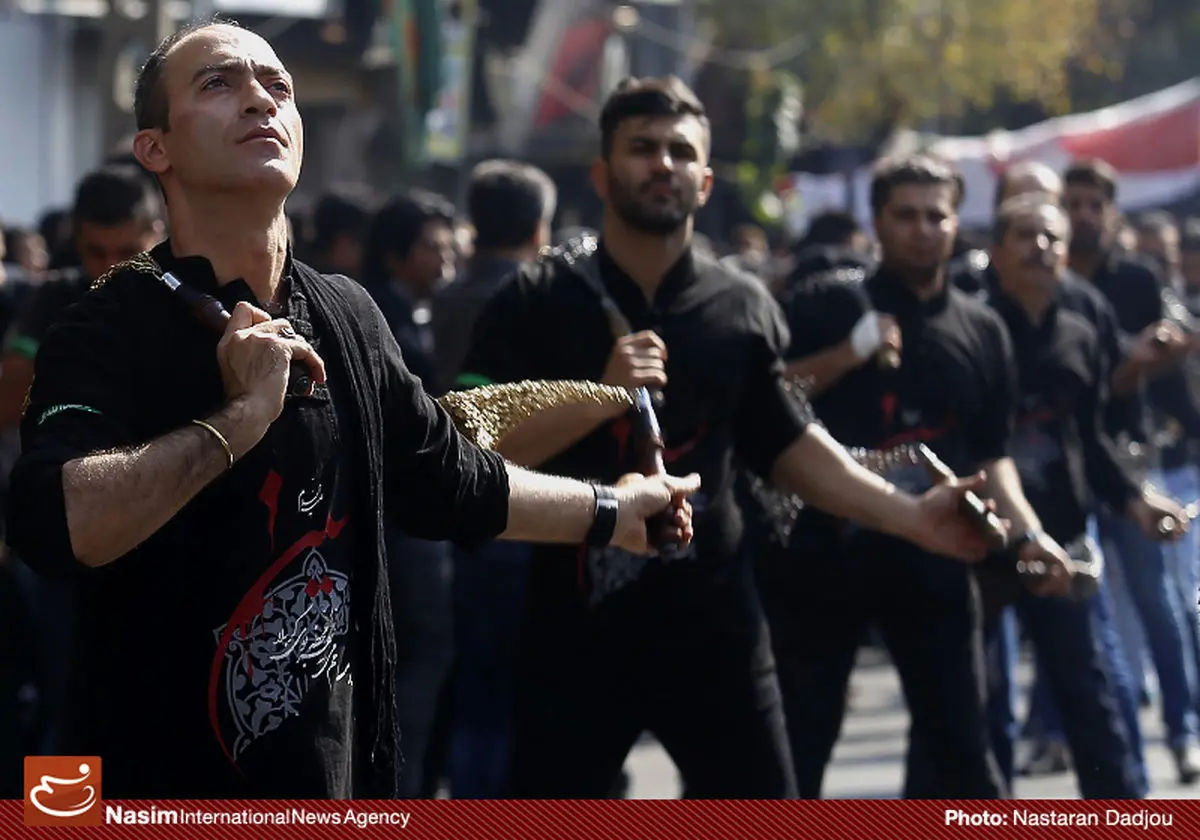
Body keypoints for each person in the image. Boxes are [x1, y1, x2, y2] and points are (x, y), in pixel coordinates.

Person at [6, 20, 700, 800]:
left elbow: (452, 480)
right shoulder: (106, 323)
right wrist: (239, 420)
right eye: (218, 84)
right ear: (155, 149)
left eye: (278, 86)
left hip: (331, 781)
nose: (261, 101)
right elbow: (59, 526)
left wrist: (615, 510)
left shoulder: (348, 315)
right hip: (142, 787)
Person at [459, 78, 1014, 799]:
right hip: (575, 630)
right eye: (643, 148)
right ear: (602, 172)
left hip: (716, 625)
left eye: (681, 151)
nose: (664, 164)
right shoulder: (533, 299)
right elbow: (466, 446)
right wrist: (595, 396)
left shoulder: (740, 305)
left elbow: (788, 442)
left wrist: (913, 517)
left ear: (706, 178)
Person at [767, 155, 1072, 799]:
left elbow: (993, 454)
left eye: (936, 215)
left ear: (958, 222)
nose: (922, 230)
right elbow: (769, 403)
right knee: (798, 748)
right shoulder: (828, 303)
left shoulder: (982, 328)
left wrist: (1029, 532)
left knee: (963, 754)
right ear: (877, 222)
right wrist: (846, 354)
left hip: (935, 556)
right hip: (823, 556)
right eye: (905, 215)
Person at [982, 193, 1185, 797]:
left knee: (1092, 697)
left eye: (1050, 237)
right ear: (997, 251)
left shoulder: (1085, 316)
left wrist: (1136, 501)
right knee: (977, 706)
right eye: (1024, 235)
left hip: (1066, 540)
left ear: (1066, 250)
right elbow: (976, 448)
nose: (1039, 247)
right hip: (983, 545)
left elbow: (1089, 435)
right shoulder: (970, 324)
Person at [1062, 159, 1200, 781]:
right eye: (1075, 204)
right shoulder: (1047, 286)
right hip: (1063, 471)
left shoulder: (1138, 281)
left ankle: (1182, 729)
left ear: (1111, 213)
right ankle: (1115, 764)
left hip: (1133, 462)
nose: (1085, 216)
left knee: (1158, 600)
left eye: (1096, 204)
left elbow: (1165, 372)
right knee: (1083, 612)